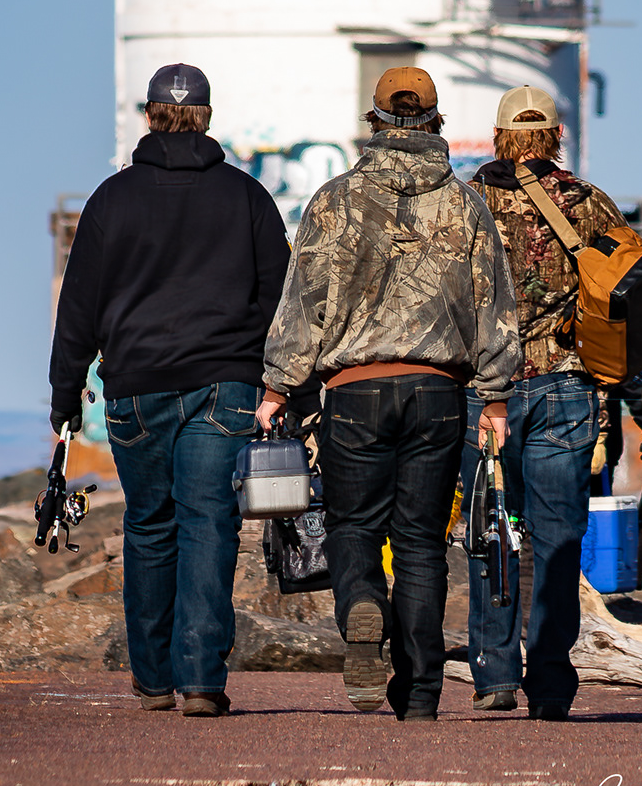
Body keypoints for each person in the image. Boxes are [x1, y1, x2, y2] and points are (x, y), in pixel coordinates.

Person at [257, 64, 520, 721]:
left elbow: (302, 304)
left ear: (373, 120)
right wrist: (493, 397)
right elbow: (494, 308)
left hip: (354, 391)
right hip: (437, 394)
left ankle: (361, 609)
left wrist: (278, 386)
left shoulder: (334, 201)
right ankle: (421, 691)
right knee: (421, 543)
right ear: (436, 121)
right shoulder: (466, 205)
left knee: (353, 526)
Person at [50, 62, 290, 718]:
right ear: (206, 117)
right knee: (208, 522)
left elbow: (78, 310)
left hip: (137, 387)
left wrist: (65, 398)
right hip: (225, 385)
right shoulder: (247, 197)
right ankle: (202, 679)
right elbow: (280, 301)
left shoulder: (110, 200)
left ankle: (154, 678)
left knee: (150, 525)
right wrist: (287, 388)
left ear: (150, 115)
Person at [461, 84, 642, 720]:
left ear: (499, 137)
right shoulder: (589, 203)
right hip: (568, 385)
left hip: (485, 392)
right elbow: (639, 299)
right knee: (557, 538)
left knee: (491, 530)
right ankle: (551, 681)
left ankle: (495, 674)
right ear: (557, 136)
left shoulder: (464, 204)